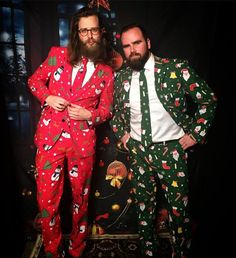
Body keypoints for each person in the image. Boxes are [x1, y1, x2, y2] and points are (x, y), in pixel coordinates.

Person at [110, 24, 217, 258]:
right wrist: (124, 135)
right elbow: (115, 113)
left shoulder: (176, 68)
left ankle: (181, 252)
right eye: (126, 46)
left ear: (147, 43)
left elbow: (208, 100)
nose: (132, 50)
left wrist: (195, 135)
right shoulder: (122, 77)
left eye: (136, 43)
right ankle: (148, 251)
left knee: (179, 212)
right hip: (138, 151)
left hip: (172, 150)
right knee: (143, 209)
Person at [28, 7, 114, 258]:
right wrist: (48, 97)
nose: (89, 35)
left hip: (82, 144)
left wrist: (91, 115)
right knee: (47, 202)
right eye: (84, 30)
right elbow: (34, 81)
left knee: (80, 201)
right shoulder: (57, 55)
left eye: (94, 30)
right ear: (76, 33)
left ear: (101, 32)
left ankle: (77, 249)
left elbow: (107, 109)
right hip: (50, 141)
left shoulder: (106, 72)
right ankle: (53, 250)